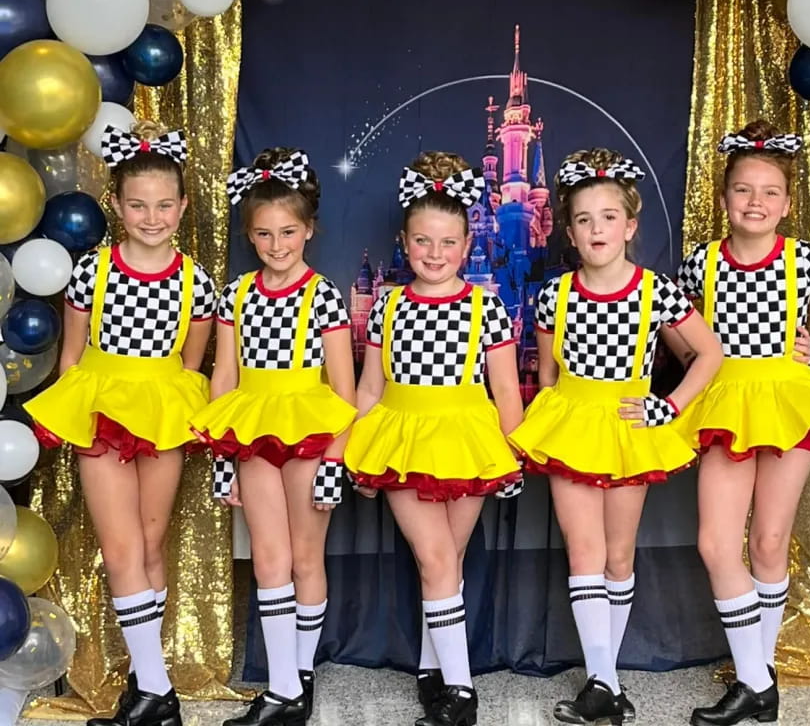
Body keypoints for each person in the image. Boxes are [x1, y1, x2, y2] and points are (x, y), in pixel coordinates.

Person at [668, 121, 810, 726]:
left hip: (788, 402)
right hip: (727, 404)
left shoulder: (801, 259)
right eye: (743, 190)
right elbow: (676, 325)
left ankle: (757, 682)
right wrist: (695, 362)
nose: (756, 202)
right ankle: (755, 682)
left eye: (770, 192)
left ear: (787, 204)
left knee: (768, 542)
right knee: (716, 543)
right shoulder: (700, 264)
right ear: (724, 199)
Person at [508, 148, 722, 726]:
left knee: (619, 553)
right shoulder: (553, 294)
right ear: (570, 232)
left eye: (608, 217)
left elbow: (709, 354)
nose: (596, 229)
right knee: (585, 551)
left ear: (629, 226)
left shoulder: (656, 289)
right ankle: (603, 683)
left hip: (628, 424)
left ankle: (605, 682)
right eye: (583, 219)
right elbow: (547, 375)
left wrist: (669, 406)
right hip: (572, 421)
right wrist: (551, 420)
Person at [26, 122, 216, 726]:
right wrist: (74, 415)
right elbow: (72, 357)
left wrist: (174, 412)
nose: (151, 217)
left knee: (151, 548)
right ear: (115, 203)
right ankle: (159, 693)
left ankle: (145, 685)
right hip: (103, 410)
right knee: (121, 548)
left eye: (163, 205)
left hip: (161, 412)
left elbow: (191, 363)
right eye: (138, 204)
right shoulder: (93, 271)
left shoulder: (196, 282)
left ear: (182, 206)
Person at [345, 152, 524, 726]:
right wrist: (354, 451)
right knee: (436, 557)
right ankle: (462, 692)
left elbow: (505, 389)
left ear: (468, 244)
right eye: (423, 240)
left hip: (468, 439)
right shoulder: (388, 306)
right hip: (403, 439)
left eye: (448, 242)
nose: (435, 253)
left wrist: (514, 454)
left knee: (448, 561)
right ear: (404, 241)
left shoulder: (486, 305)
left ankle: (432, 670)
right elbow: (369, 388)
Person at [190, 148, 356, 726]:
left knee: (306, 557)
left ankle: (298, 679)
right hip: (254, 431)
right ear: (249, 235)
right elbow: (224, 377)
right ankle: (283, 687)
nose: (276, 244)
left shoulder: (323, 295)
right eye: (263, 234)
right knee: (269, 557)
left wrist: (335, 461)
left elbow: (345, 389)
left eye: (287, 232)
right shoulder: (236, 293)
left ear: (308, 229)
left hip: (309, 432)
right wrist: (223, 459)